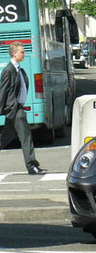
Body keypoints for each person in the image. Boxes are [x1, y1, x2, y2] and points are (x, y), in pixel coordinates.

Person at [0, 42, 47, 174]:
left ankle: (32, 165)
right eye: (22, 52)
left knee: (6, 138)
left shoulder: (19, 69)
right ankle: (32, 166)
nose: (24, 54)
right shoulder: (8, 70)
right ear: (14, 54)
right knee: (26, 137)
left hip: (17, 108)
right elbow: (3, 91)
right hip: (14, 109)